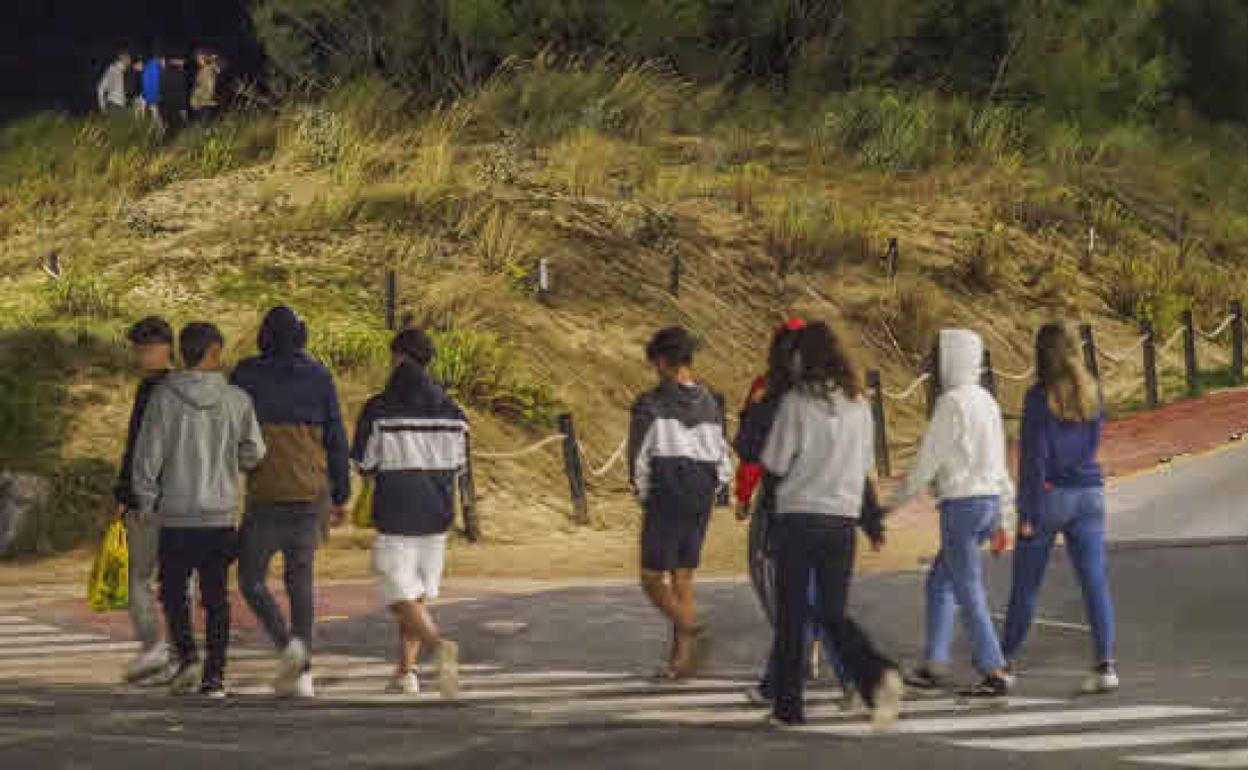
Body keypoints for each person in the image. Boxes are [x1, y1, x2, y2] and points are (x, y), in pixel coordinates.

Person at [760, 321, 902, 729]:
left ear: (802, 358)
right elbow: (863, 473)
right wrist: (871, 522)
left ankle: (789, 706)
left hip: (798, 517)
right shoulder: (860, 405)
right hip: (840, 521)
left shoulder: (796, 403)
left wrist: (770, 510)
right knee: (832, 613)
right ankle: (875, 673)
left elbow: (775, 463)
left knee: (791, 615)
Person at [132, 323, 266, 698]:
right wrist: (231, 465)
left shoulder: (163, 397)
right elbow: (255, 452)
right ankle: (215, 676)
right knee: (216, 596)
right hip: (220, 513)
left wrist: (145, 499)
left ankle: (187, 657)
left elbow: (147, 456)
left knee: (172, 592)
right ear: (212, 352)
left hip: (175, 513)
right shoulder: (237, 399)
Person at [232, 307, 351, 699]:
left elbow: (232, 435)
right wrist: (342, 495)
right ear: (302, 335)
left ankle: (287, 646)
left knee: (251, 578)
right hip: (310, 493)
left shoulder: (246, 375)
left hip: (266, 494)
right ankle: (303, 671)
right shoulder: (319, 376)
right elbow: (336, 439)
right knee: (300, 580)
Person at [735, 319, 854, 706]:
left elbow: (750, 448)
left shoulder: (773, 394)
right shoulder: (838, 395)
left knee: (792, 598)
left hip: (788, 511)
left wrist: (752, 412)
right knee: (819, 599)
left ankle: (784, 678)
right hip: (835, 507)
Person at [893, 329, 1015, 701]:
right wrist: (1005, 517)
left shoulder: (951, 404)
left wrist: (897, 501)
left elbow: (929, 459)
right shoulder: (988, 402)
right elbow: (1000, 463)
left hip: (961, 506)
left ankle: (994, 669)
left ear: (951, 360)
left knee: (967, 587)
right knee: (941, 582)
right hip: (989, 501)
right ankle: (933, 663)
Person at [1002, 323, 1117, 693]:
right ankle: (1104, 664)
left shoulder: (1039, 399)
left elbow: (1034, 460)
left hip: (1050, 496)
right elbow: (1094, 443)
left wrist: (1027, 513)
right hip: (1089, 493)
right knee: (1094, 581)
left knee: (1026, 585)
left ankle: (1003, 660)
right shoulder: (1093, 394)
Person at [351, 328, 463, 699]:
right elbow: (461, 468)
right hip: (437, 515)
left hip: (397, 514)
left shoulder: (380, 408)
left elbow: (365, 462)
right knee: (415, 597)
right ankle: (405, 672)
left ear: (398, 357)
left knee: (398, 592)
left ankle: (437, 648)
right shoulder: (454, 412)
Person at [627, 326, 733, 681]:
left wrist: (644, 494)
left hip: (667, 488)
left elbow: (639, 458)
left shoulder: (650, 404)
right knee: (683, 576)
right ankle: (681, 664)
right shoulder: (712, 403)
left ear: (660, 361)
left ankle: (692, 627)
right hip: (702, 489)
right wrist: (716, 490)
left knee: (651, 578)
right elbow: (723, 457)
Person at [115, 316, 175, 684]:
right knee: (180, 580)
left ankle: (154, 647)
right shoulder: (188, 387)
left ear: (162, 348)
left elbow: (137, 446)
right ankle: (175, 652)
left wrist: (126, 492)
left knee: (139, 577)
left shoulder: (152, 390)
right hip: (188, 499)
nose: (139, 356)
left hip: (150, 498)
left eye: (143, 349)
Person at [159, 57, 191, 132]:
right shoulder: (182, 75)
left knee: (168, 124)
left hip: (166, 104)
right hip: (179, 104)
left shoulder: (162, 74)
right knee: (182, 124)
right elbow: (184, 90)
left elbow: (161, 90)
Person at [97, 49, 130, 113]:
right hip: (114, 106)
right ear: (122, 57)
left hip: (122, 106)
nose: (129, 60)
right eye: (128, 57)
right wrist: (102, 106)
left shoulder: (125, 72)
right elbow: (100, 88)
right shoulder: (112, 70)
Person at [190, 51, 221, 121]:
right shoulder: (200, 71)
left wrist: (212, 60)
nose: (199, 61)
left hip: (206, 100)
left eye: (201, 58)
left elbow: (218, 71)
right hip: (200, 100)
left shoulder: (211, 67)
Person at [142, 52, 163, 124]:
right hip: (154, 98)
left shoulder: (147, 67)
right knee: (157, 118)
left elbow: (145, 84)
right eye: (163, 61)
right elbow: (156, 84)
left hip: (148, 97)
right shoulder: (155, 69)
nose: (163, 63)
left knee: (154, 117)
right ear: (159, 59)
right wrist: (157, 97)